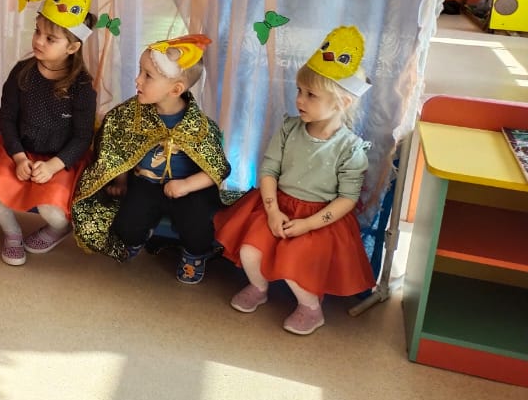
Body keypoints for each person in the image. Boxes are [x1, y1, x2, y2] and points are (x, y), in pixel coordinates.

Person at [214, 26, 375, 335]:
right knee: (250, 250)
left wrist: (308, 224)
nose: (299, 99)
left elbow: (347, 198)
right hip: (276, 204)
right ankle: (258, 288)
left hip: (320, 218)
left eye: (310, 95)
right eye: (299, 90)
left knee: (296, 264)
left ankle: (310, 308)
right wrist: (273, 211)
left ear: (342, 103)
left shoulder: (351, 148)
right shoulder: (289, 128)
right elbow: (269, 170)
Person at [69, 35, 232, 284]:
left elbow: (217, 169)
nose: (137, 80)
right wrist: (121, 180)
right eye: (140, 72)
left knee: (196, 224)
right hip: (146, 184)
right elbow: (117, 149)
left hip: (189, 189)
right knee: (126, 226)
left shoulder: (199, 127)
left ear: (175, 89)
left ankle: (195, 254)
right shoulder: (129, 115)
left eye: (147, 76)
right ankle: (141, 235)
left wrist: (186, 185)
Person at [0, 0, 97, 266]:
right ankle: (12, 233)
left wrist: (54, 166)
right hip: (19, 150)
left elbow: (82, 137)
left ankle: (59, 230)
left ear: (72, 47)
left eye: (50, 38)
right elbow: (7, 118)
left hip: (60, 159)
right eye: (37, 31)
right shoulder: (22, 73)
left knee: (53, 211)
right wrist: (19, 157)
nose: (38, 41)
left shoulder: (82, 87)